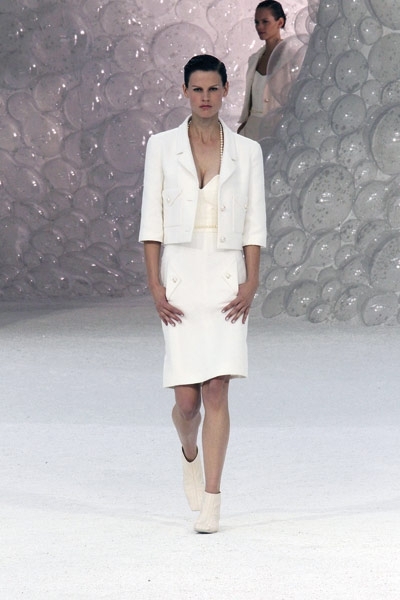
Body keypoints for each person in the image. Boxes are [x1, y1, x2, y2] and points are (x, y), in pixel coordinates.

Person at [139, 54, 266, 533]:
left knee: (217, 389)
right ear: (185, 92)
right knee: (187, 403)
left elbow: (254, 221)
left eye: (214, 89)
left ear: (227, 90)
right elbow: (151, 221)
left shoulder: (247, 152)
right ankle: (188, 452)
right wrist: (155, 284)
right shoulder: (161, 147)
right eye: (197, 89)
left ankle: (213, 499)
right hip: (180, 277)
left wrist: (251, 280)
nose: (206, 97)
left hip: (225, 278)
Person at [238, 1, 288, 140]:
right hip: (251, 129)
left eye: (265, 21)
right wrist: (244, 125)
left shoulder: (291, 56)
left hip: (276, 129)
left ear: (280, 22)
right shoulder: (254, 58)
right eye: (256, 22)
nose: (259, 27)